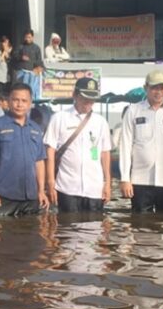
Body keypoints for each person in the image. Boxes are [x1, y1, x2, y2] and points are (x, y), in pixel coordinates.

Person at [118, 69, 163, 213]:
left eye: (162, 88)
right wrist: (125, 178)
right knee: (139, 227)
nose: (158, 92)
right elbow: (125, 147)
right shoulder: (133, 111)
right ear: (146, 88)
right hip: (140, 180)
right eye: (154, 87)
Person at [44, 77, 112, 213]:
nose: (88, 102)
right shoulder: (59, 118)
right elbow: (49, 151)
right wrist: (50, 182)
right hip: (67, 187)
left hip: (94, 188)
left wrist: (108, 184)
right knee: (66, 229)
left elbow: (105, 153)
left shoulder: (101, 122)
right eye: (84, 97)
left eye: (92, 98)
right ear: (74, 95)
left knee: (94, 229)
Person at [0, 82, 49, 217]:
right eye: (15, 100)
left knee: (32, 235)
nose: (19, 104)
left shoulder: (35, 128)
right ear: (8, 101)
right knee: (1, 234)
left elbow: (39, 162)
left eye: (24, 101)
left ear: (30, 103)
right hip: (4, 196)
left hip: (31, 196)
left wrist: (41, 191)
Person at [13, 29, 45, 101]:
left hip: (32, 73)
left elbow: (39, 60)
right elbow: (14, 56)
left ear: (32, 37)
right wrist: (21, 57)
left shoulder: (36, 48)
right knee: (22, 91)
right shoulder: (20, 46)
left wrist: (40, 67)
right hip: (22, 73)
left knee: (32, 91)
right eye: (26, 37)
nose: (28, 39)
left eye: (29, 37)